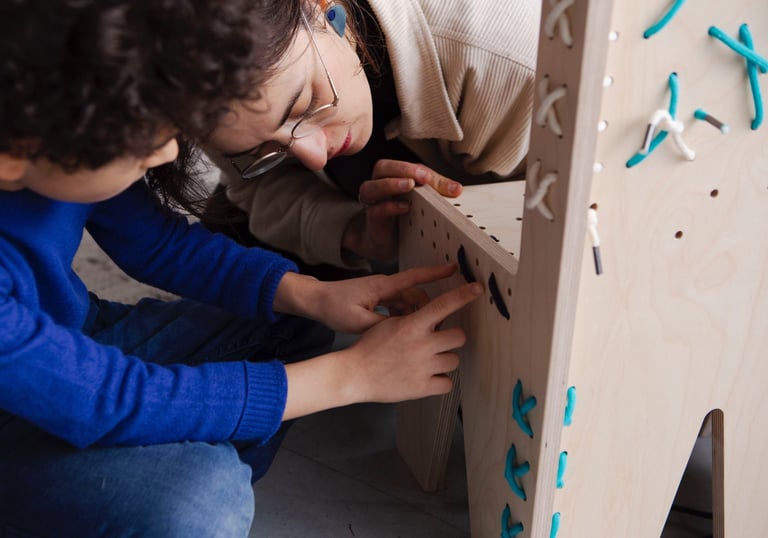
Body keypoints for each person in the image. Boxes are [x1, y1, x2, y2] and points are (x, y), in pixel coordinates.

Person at [0, 1, 482, 536]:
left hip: (72, 350)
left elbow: (158, 244)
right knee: (204, 499)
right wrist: (353, 376)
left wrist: (313, 294)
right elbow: (109, 397)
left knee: (299, 310)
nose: (165, 153)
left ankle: (148, 450)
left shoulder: (68, 123)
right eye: (142, 143)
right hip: (34, 412)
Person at [201, 0, 539, 272]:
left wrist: (449, 222)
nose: (316, 157)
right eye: (265, 148)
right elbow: (254, 187)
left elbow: (564, 229)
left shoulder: (509, 66)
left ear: (320, 7)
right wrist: (352, 230)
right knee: (219, 261)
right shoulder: (199, 89)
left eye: (305, 105)